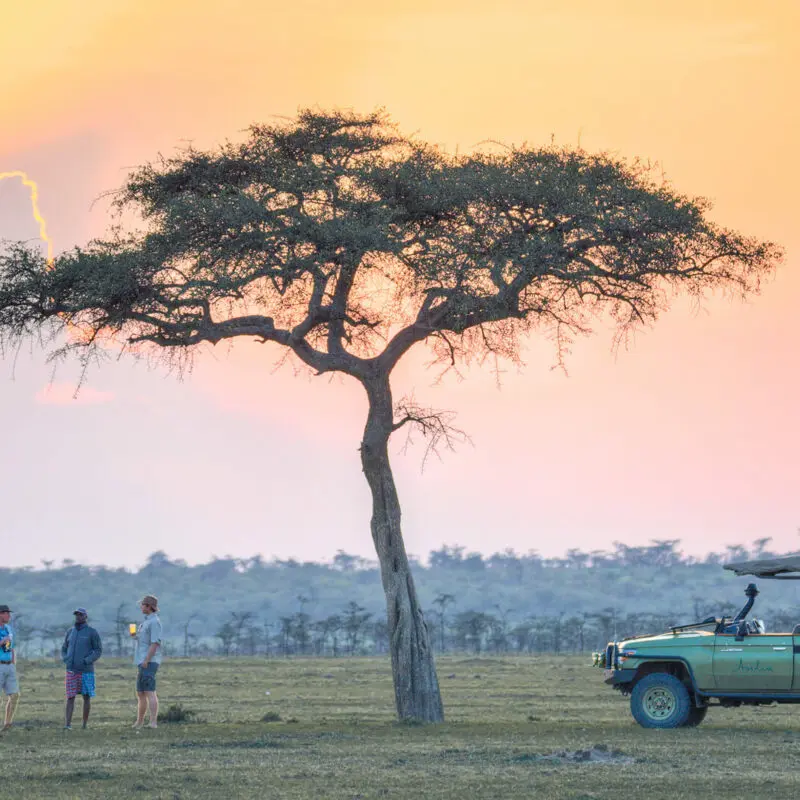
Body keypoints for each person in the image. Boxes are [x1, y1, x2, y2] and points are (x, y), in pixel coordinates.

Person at [61, 607, 102, 730]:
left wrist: (87, 660)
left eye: (81, 615)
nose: (78, 617)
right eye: (77, 615)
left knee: (86, 697)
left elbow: (98, 650)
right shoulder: (70, 632)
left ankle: (84, 725)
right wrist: (66, 658)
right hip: (71, 670)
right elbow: (64, 648)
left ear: (85, 617)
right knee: (70, 697)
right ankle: (67, 725)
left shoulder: (92, 632)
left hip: (86, 671)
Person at [130, 594, 162, 729]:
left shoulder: (154, 622)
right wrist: (134, 636)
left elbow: (155, 643)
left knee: (149, 691)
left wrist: (147, 660)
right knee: (141, 692)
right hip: (141, 660)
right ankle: (139, 722)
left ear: (149, 606)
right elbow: (145, 641)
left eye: (143, 604)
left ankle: (153, 722)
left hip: (149, 661)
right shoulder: (145, 622)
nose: (141, 607)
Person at [0, 604, 20, 733]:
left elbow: (11, 647)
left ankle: (8, 723)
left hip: (9, 665)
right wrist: (3, 641)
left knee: (15, 695)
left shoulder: (8, 628)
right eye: (6, 613)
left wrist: (13, 662)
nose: (9, 615)